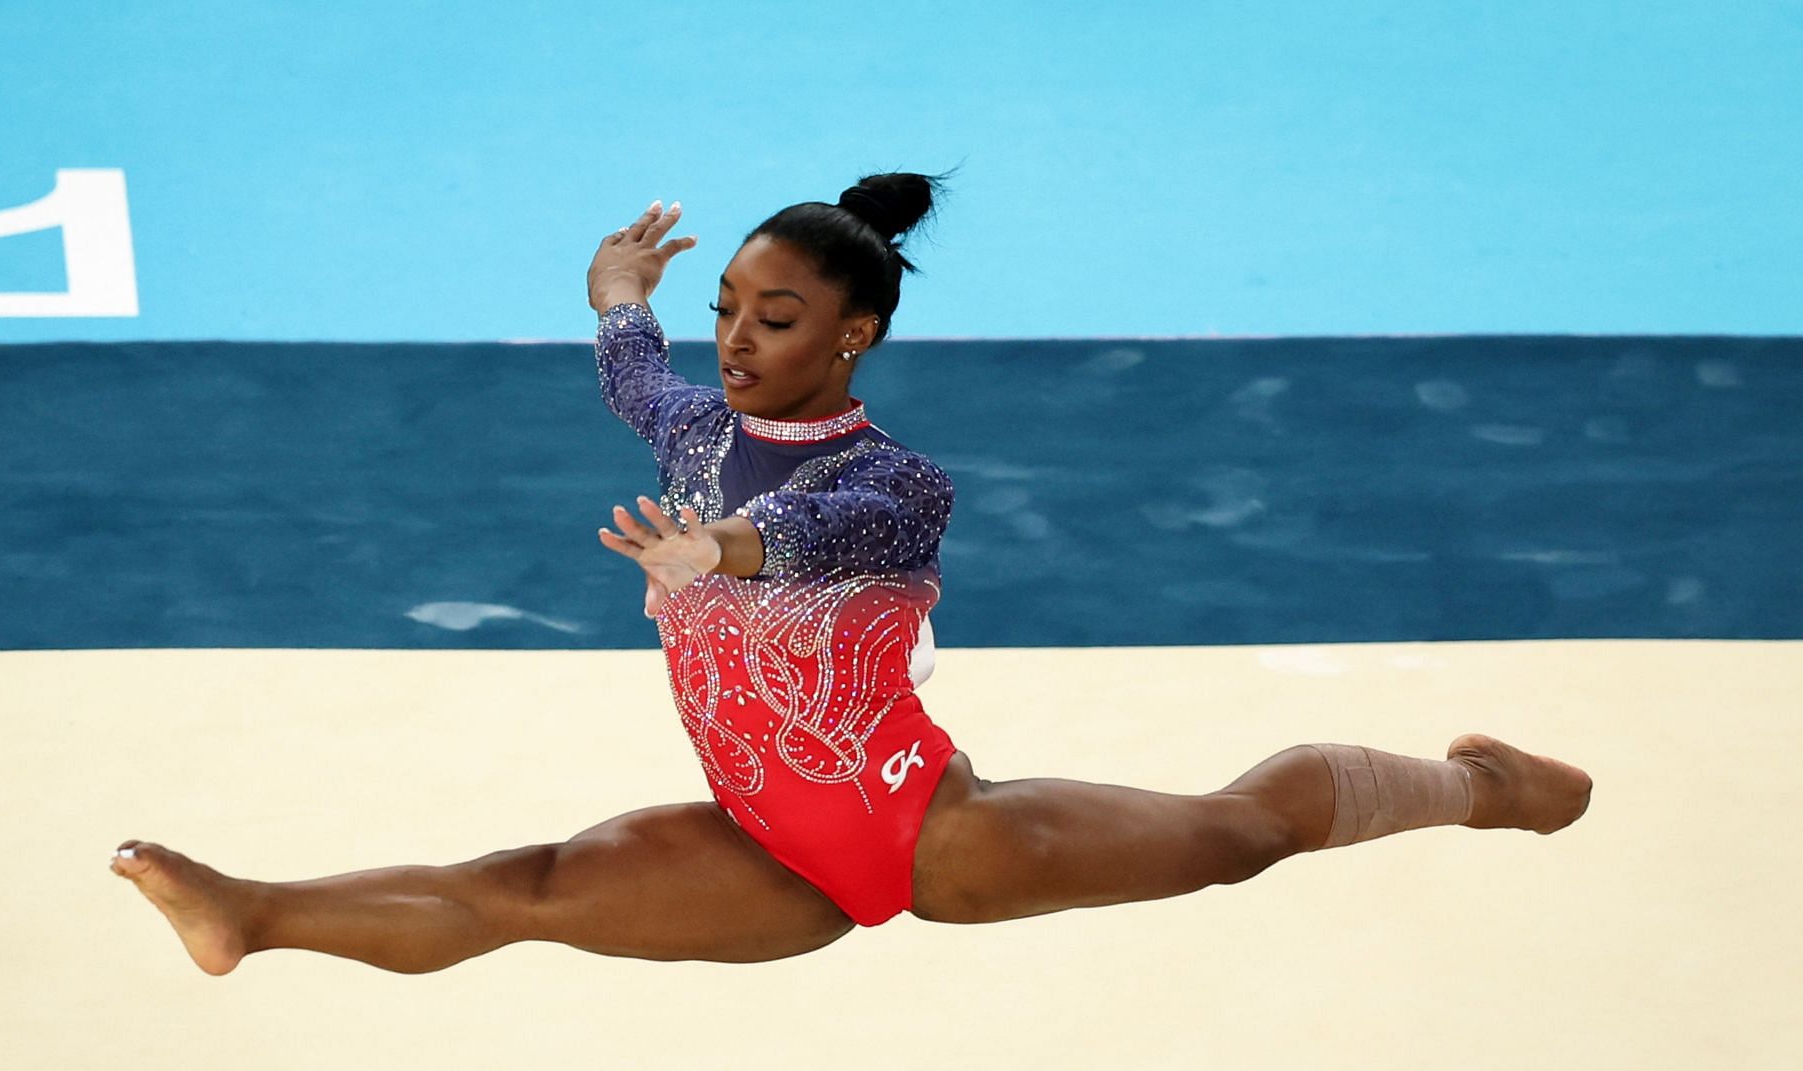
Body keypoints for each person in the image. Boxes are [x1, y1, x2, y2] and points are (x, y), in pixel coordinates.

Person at [111, 173, 1592, 975]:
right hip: (765, 838)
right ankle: (254, 913)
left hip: (932, 834)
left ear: (853, 338)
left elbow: (813, 538)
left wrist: (721, 554)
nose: (738, 340)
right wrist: (620, 298)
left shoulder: (893, 481)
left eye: (776, 316)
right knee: (527, 893)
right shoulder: (695, 423)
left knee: (1238, 830)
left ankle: (1481, 787)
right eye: (728, 310)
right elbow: (637, 377)